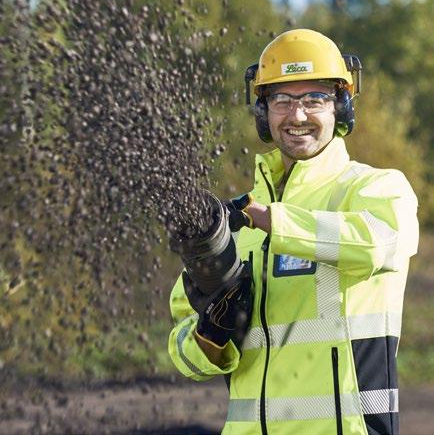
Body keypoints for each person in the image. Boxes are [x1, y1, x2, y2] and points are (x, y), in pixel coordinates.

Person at [168, 29, 419, 435]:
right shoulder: (234, 225)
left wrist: (269, 218)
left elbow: (373, 245)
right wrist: (208, 337)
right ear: (263, 112)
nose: (297, 115)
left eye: (314, 99)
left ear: (341, 106)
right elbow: (181, 344)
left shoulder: (376, 189)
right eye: (281, 100)